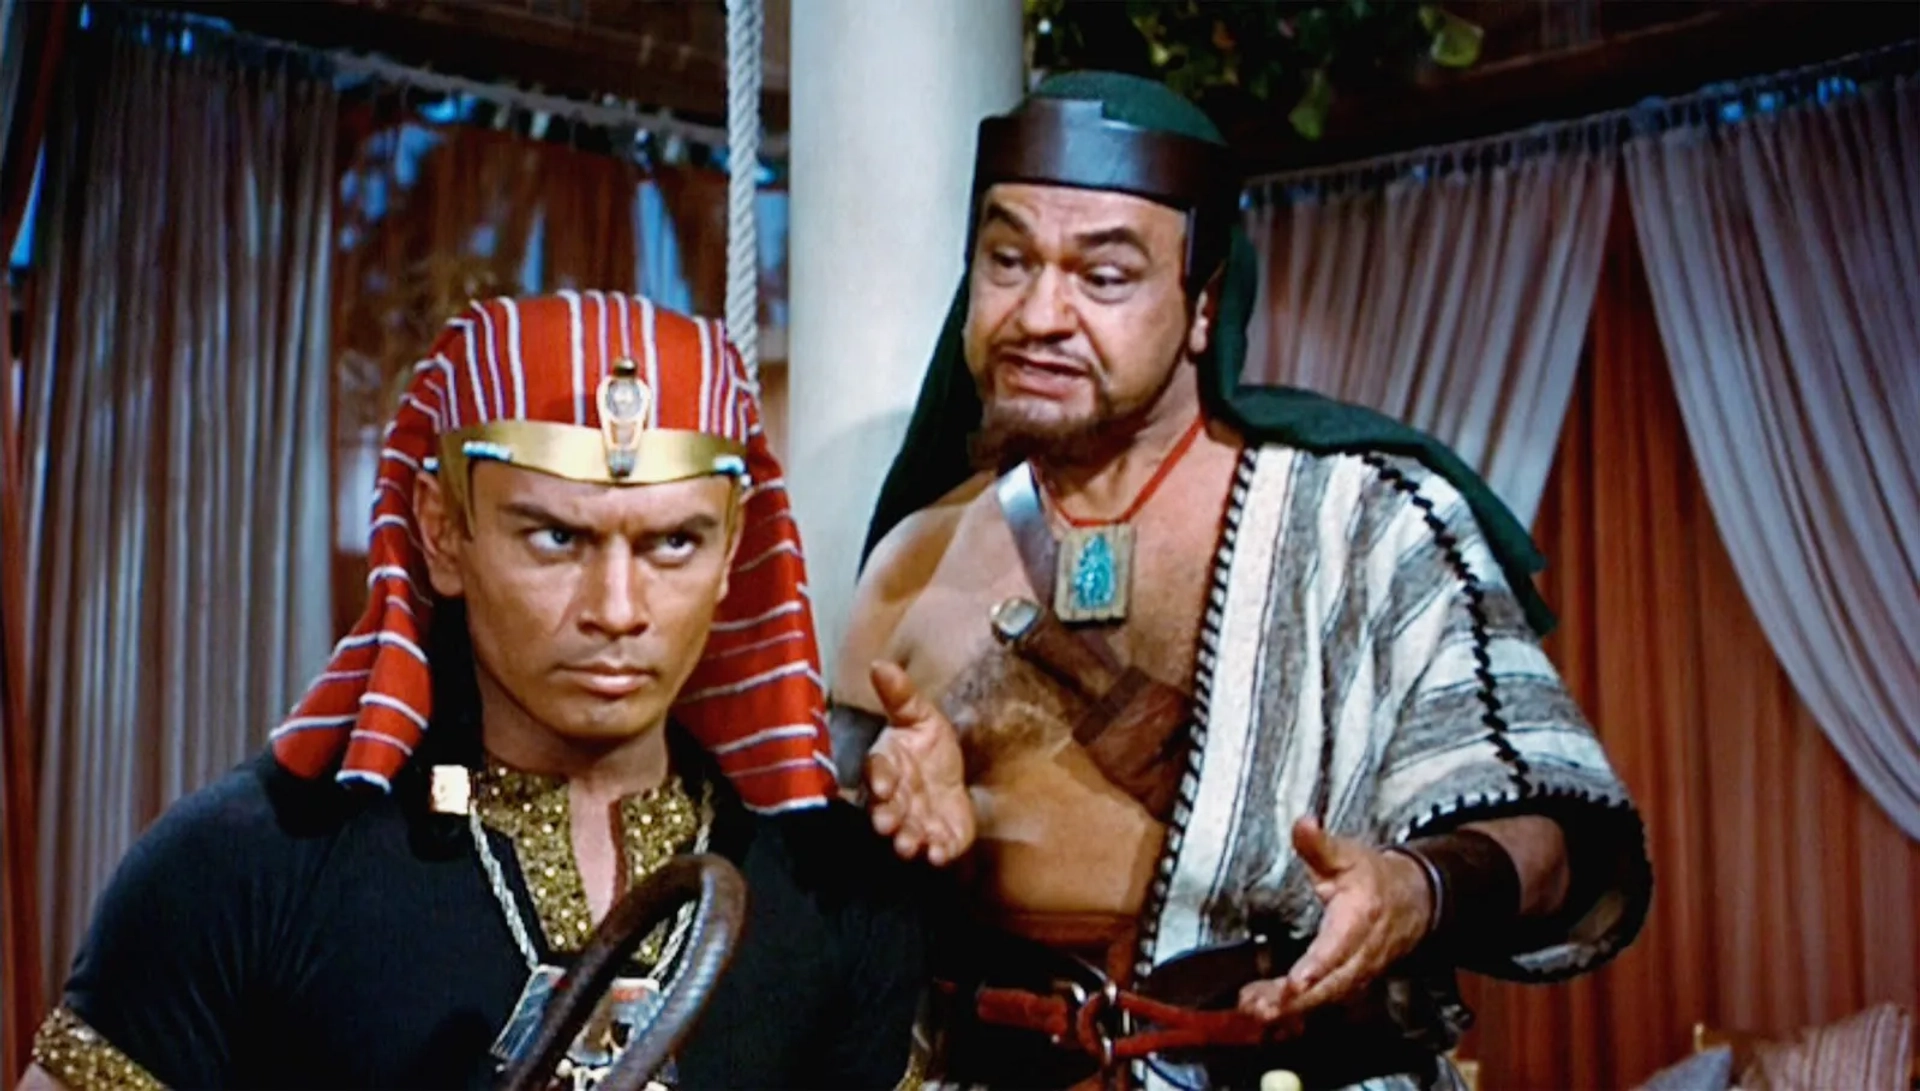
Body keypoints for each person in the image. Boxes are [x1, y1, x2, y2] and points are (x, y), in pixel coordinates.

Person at [835, 72, 1653, 1091]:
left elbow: (1558, 839)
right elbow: (836, 931)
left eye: (1105, 276)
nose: (1040, 312)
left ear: (1202, 305)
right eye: (1009, 260)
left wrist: (1417, 888)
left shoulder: (1364, 523)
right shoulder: (912, 562)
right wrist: (901, 846)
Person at [24, 292, 928, 1090]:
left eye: (673, 543)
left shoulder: (835, 892)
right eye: (556, 538)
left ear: (733, 549)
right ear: (442, 531)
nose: (618, 609)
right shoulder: (241, 871)